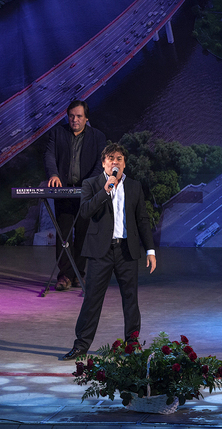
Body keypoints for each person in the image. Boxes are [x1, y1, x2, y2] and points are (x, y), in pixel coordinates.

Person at [62, 143, 156, 360]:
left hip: (126, 250)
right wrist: (105, 190)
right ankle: (81, 345)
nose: (115, 162)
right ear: (104, 162)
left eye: (119, 159)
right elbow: (85, 212)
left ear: (125, 164)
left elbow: (142, 219)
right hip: (100, 251)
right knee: (92, 299)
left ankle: (132, 345)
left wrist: (150, 250)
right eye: (111, 158)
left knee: (130, 300)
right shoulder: (91, 184)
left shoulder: (134, 186)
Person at [44, 100, 106, 291]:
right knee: (63, 234)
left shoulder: (98, 137)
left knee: (82, 234)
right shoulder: (57, 133)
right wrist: (54, 174)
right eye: (71, 116)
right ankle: (64, 276)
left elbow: (101, 163)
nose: (75, 120)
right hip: (64, 192)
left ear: (86, 118)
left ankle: (79, 274)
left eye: (79, 116)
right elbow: (49, 156)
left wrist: (90, 183)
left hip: (86, 194)